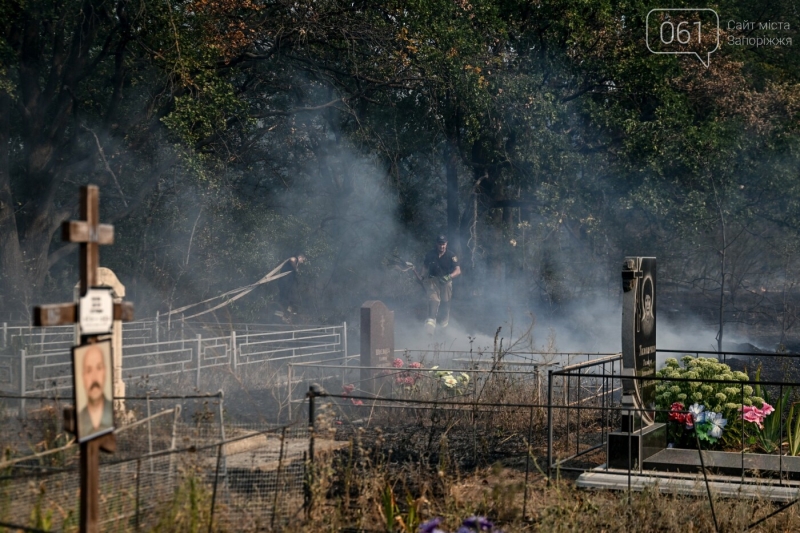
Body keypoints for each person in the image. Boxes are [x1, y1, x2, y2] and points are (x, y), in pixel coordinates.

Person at [421, 234, 461, 332]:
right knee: (433, 301)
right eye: (440, 244)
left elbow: (458, 270)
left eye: (443, 244)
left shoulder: (451, 256)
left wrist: (449, 276)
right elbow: (425, 268)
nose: (441, 246)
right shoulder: (430, 255)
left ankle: (443, 328)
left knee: (445, 303)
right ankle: (429, 329)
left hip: (446, 282)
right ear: (436, 244)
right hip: (432, 281)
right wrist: (421, 277)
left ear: (446, 244)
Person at [78, 344, 113, 439]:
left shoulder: (115, 414)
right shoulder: (78, 421)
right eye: (89, 370)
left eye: (99, 368)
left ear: (105, 372)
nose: (94, 378)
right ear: (83, 377)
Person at [276, 254, 307, 321]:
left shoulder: (296, 264)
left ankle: (288, 312)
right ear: (300, 257)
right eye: (303, 260)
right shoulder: (294, 259)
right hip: (284, 282)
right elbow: (291, 260)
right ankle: (281, 313)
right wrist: (295, 268)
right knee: (284, 297)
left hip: (288, 284)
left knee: (289, 298)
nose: (302, 262)